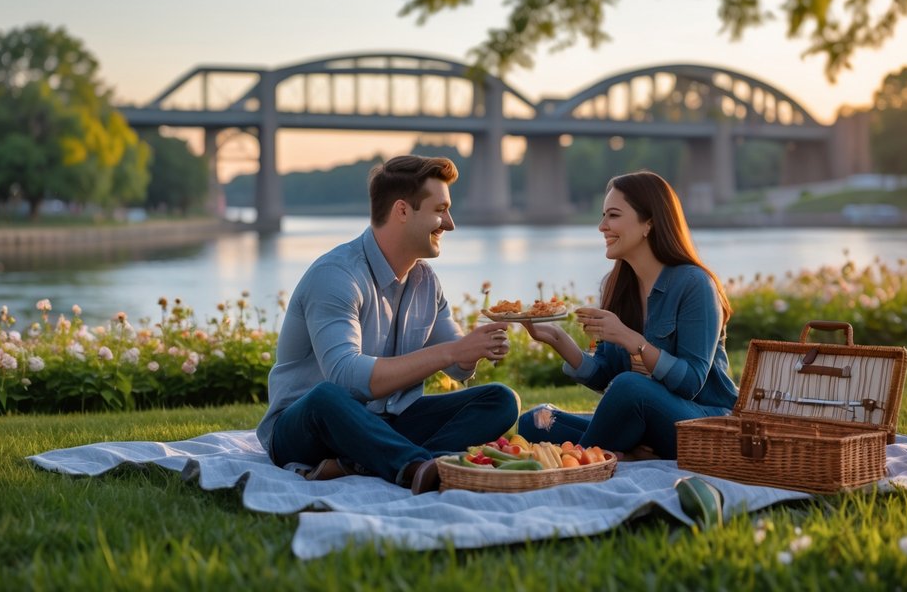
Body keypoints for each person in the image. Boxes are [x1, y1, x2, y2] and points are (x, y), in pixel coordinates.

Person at [255, 154, 519, 494]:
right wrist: (452, 351)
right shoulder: (336, 276)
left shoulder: (425, 281)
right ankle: (414, 466)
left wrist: (474, 350)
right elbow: (347, 377)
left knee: (499, 400)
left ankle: (384, 464)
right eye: (440, 210)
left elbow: (457, 366)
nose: (450, 224)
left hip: (387, 424)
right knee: (327, 397)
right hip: (308, 427)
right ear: (403, 211)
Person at [516, 170, 738, 459]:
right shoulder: (615, 285)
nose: (602, 226)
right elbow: (603, 375)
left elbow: (691, 383)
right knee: (537, 420)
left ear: (649, 223)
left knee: (630, 386)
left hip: (701, 422)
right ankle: (626, 453)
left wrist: (633, 341)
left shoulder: (694, 285)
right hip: (643, 421)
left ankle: (581, 462)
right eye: (603, 216)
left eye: (613, 215)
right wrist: (558, 340)